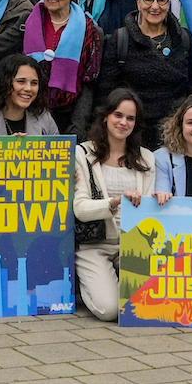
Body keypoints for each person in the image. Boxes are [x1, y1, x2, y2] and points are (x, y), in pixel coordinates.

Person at [71, 90, 158, 322]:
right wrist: (114, 203)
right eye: (118, 115)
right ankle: (90, 283)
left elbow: (150, 211)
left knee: (149, 305)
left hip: (134, 244)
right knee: (109, 310)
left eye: (130, 118)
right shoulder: (83, 153)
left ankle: (117, 282)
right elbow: (79, 208)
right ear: (105, 116)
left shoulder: (147, 158)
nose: (123, 122)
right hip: (95, 244)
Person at [106, 0, 192, 148]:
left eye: (162, 0)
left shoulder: (184, 39)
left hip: (174, 134)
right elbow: (106, 91)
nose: (155, 7)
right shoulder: (120, 39)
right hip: (132, 134)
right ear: (138, 2)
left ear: (169, 3)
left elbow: (189, 84)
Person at [21, 0, 102, 124]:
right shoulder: (28, 21)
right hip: (29, 109)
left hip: (69, 113)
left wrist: (78, 123)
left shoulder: (89, 29)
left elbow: (89, 81)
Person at [0, 54, 63, 137]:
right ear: (3, 82)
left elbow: (59, 155)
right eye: (21, 81)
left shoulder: (44, 117)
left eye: (34, 83)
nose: (28, 88)